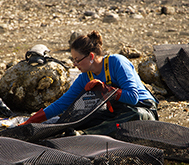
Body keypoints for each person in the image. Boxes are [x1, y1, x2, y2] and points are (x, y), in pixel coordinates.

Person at [19, 30, 159, 127]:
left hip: (142, 108)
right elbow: (62, 104)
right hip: (119, 111)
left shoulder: (117, 62)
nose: (74, 64)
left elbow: (133, 97)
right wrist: (31, 121)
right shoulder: (85, 77)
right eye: (73, 60)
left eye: (77, 60)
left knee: (134, 116)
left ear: (91, 56)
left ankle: (85, 134)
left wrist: (106, 90)